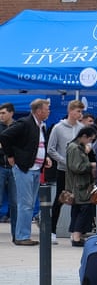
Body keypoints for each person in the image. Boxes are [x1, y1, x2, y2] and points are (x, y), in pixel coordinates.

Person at [0, 96, 53, 245]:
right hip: (25, 169)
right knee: (25, 203)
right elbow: (5, 136)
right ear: (38, 111)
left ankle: (23, 235)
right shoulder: (25, 123)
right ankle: (22, 236)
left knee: (29, 203)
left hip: (36, 168)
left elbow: (38, 145)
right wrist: (10, 155)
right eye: (46, 109)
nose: (49, 111)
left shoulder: (41, 125)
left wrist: (45, 158)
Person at [47, 98, 85, 242]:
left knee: (78, 200)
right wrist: (65, 161)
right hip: (63, 169)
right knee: (60, 199)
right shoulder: (58, 128)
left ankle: (74, 231)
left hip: (77, 171)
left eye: (81, 111)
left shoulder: (81, 128)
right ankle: (52, 231)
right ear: (70, 111)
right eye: (78, 111)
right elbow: (51, 149)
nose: (80, 114)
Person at [65, 124, 97, 247]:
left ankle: (76, 236)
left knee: (78, 210)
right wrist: (91, 165)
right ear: (84, 136)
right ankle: (77, 236)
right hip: (80, 184)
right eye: (90, 139)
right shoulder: (75, 148)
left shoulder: (76, 147)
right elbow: (77, 167)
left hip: (79, 184)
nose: (90, 142)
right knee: (84, 210)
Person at [0, 102, 14, 236]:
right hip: (1, 167)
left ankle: (17, 232)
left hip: (14, 167)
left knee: (15, 201)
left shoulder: (17, 126)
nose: (1, 116)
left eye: (3, 113)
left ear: (11, 113)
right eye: (0, 113)